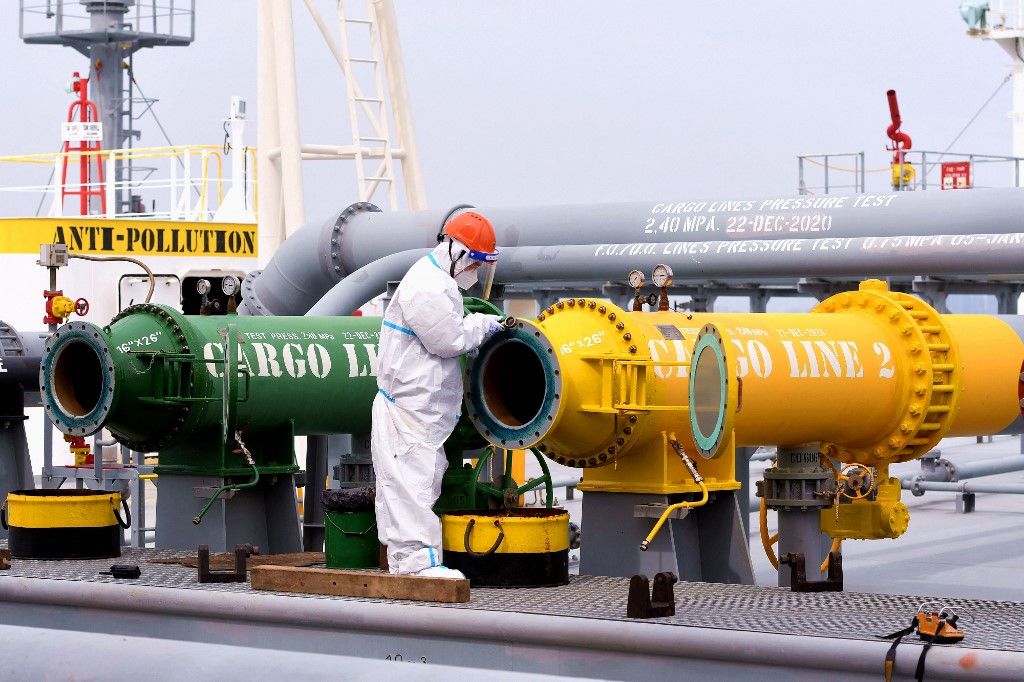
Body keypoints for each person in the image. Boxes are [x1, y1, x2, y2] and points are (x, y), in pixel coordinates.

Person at [371, 211, 503, 578]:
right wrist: (482, 325)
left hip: (416, 410)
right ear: (457, 252)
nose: (476, 273)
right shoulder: (428, 285)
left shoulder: (437, 281)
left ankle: (404, 563)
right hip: (409, 410)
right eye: (476, 263)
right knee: (414, 486)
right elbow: (449, 340)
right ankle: (418, 566)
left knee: (406, 486)